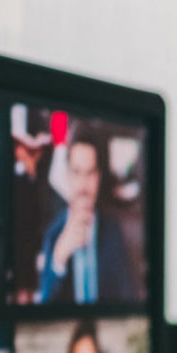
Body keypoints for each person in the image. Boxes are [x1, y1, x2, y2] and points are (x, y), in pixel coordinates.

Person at [34, 129, 138, 305]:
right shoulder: (53, 234)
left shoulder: (114, 230)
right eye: (76, 172)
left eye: (90, 173)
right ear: (67, 175)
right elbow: (43, 306)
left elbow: (128, 299)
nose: (83, 184)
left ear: (98, 177)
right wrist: (59, 259)